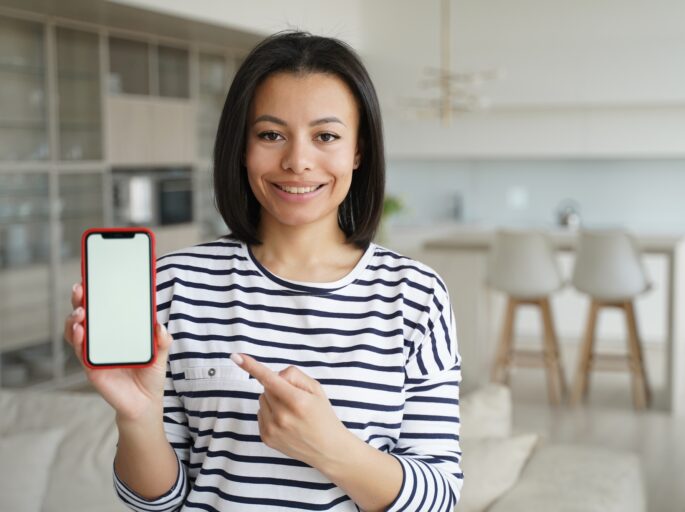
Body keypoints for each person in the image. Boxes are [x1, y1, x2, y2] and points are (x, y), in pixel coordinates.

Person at [63, 31, 462, 512]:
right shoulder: (173, 285)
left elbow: (438, 497)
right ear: (242, 146)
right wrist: (138, 417)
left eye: (326, 136)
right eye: (271, 135)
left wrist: (331, 449)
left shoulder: (415, 296)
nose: (296, 161)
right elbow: (156, 504)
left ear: (359, 151)